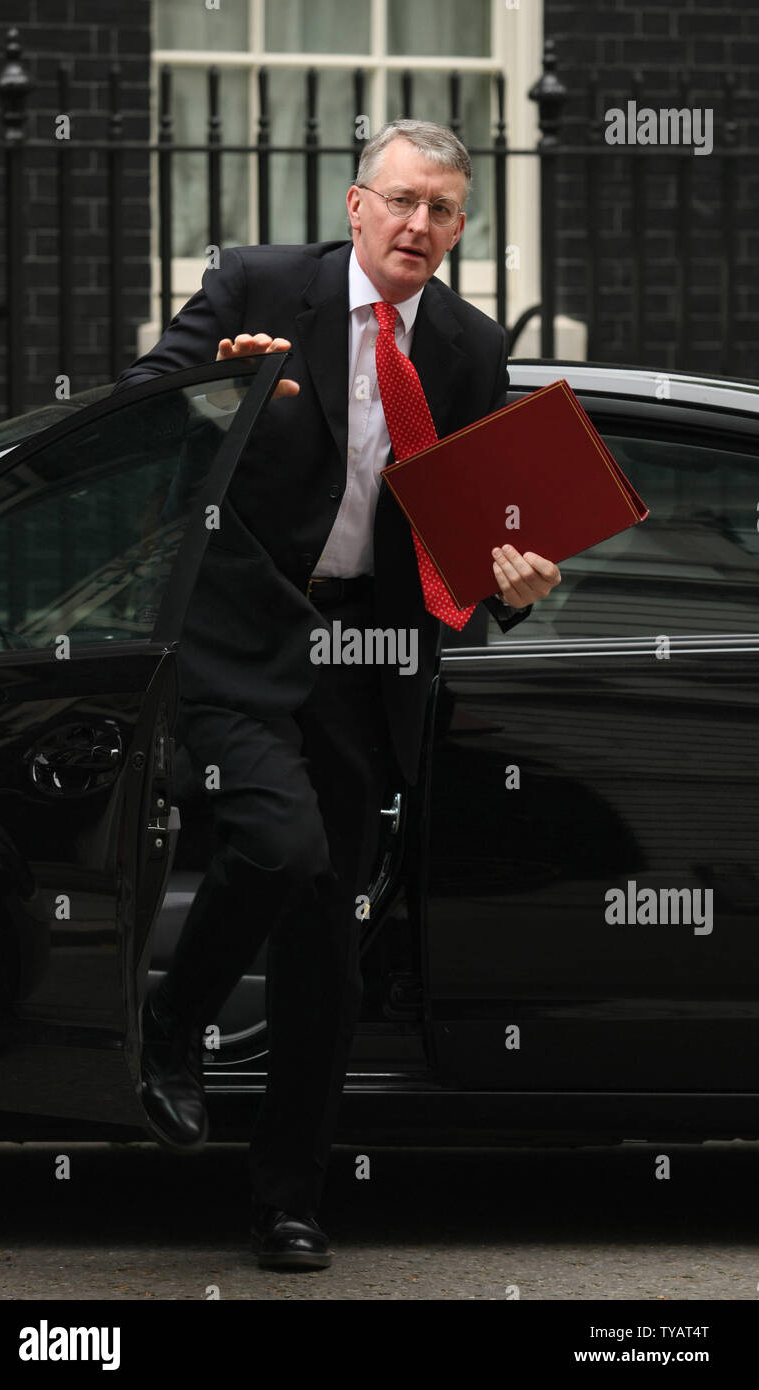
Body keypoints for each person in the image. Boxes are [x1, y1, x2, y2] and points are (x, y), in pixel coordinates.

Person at [113, 119, 561, 1271]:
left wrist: (518, 575)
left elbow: (481, 526)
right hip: (241, 627)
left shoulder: (464, 346)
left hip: (367, 652)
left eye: (444, 211)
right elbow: (144, 409)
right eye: (403, 202)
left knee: (329, 940)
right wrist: (224, 386)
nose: (419, 227)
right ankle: (171, 1017)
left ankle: (289, 1199)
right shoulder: (258, 282)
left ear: (462, 227)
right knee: (280, 844)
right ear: (357, 204)